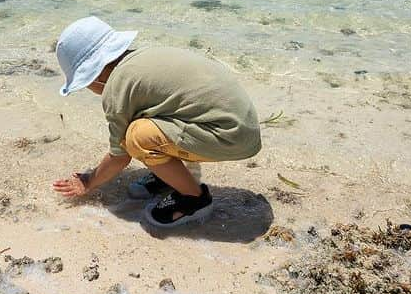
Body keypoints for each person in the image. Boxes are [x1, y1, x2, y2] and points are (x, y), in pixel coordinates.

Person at [50, 16, 262, 228]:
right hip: (242, 126)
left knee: (137, 137)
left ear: (92, 76)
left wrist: (88, 181)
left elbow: (120, 156)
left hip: (231, 136)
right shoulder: (143, 57)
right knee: (149, 116)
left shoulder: (116, 88)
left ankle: (194, 199)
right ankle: (169, 174)